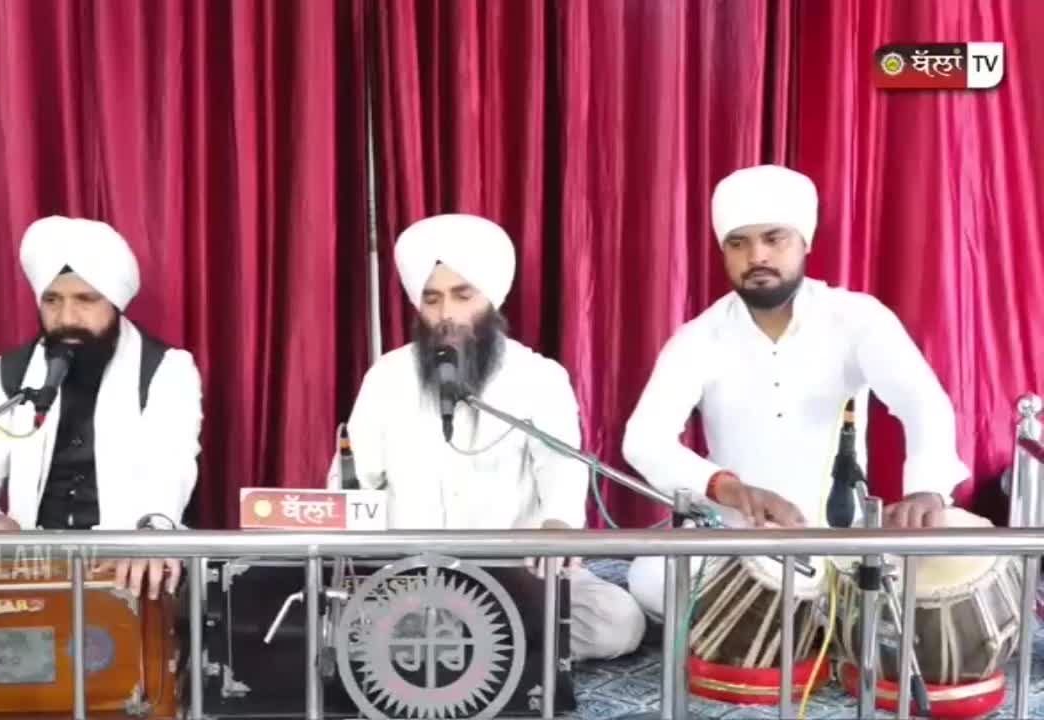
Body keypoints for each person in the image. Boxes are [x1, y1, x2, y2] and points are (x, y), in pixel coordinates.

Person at [622, 164, 969, 617]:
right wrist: (728, 489)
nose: (756, 257)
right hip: (738, 539)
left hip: (839, 535)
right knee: (649, 578)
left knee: (934, 569)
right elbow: (643, 440)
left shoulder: (857, 318)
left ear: (805, 242)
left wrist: (926, 489)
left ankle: (793, 615)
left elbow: (921, 401)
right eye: (738, 243)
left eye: (774, 238)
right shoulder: (698, 337)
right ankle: (798, 615)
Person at [331, 213, 646, 660]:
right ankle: (496, 646)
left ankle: (462, 643)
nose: (447, 315)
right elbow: (350, 484)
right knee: (325, 619)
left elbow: (562, 466)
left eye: (463, 296)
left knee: (617, 621)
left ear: (491, 299)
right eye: (432, 298)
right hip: (411, 576)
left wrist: (558, 526)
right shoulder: (387, 378)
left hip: (516, 574)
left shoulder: (539, 377)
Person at [0, 216, 203, 599]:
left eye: (85, 300)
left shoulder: (166, 369)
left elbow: (171, 470)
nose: (66, 318)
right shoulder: (10, 373)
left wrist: (149, 533)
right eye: (52, 300)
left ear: (114, 301)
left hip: (127, 573)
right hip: (29, 576)